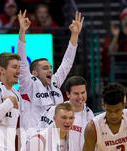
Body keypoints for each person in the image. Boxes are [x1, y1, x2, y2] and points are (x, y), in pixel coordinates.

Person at [17, 10, 82, 140]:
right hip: (33, 140)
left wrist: (74, 35)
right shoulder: (28, 85)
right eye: (45, 68)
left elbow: (67, 63)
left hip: (55, 138)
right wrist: (22, 33)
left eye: (50, 68)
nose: (50, 71)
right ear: (34, 73)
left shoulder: (54, 82)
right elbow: (22, 62)